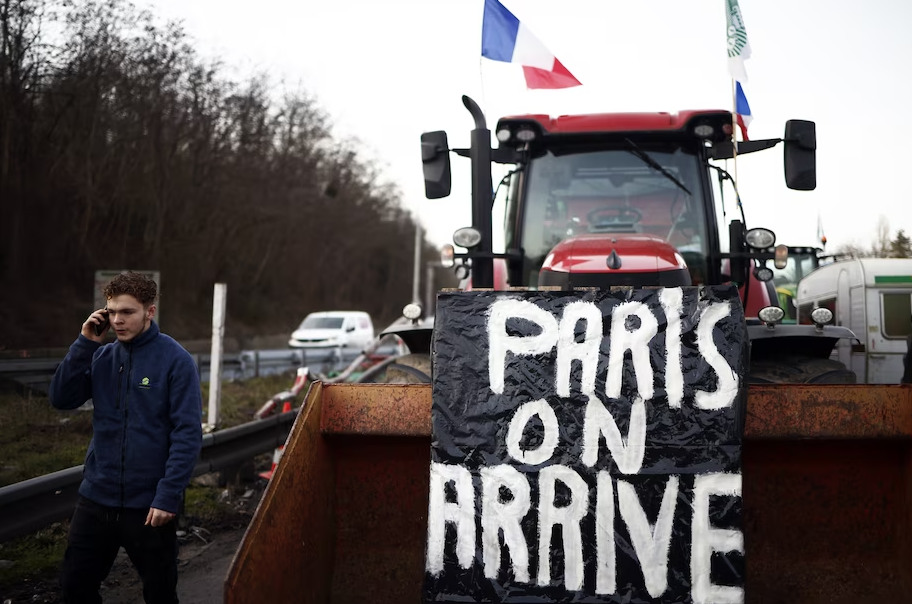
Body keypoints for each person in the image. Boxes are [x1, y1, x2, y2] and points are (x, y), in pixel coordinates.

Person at [49, 271, 203, 603]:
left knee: (159, 593)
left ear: (150, 311)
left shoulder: (175, 360)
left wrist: (167, 495)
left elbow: (187, 433)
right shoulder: (102, 356)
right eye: (112, 312)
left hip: (148, 505)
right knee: (75, 587)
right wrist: (85, 342)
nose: (118, 321)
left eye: (127, 312)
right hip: (96, 499)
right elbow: (61, 398)